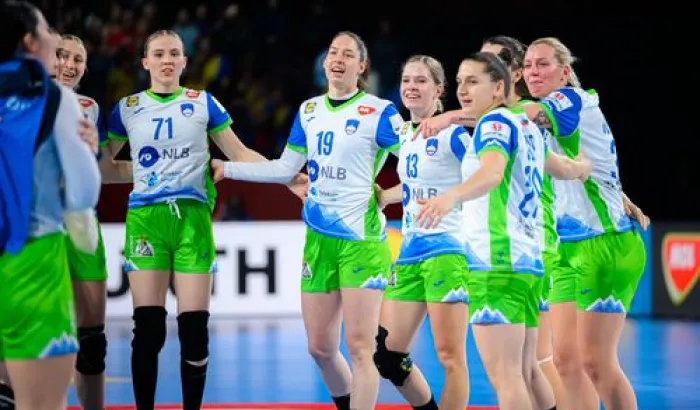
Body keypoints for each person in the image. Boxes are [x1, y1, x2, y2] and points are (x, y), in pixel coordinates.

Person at [211, 31, 403, 410]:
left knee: (361, 349)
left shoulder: (380, 112)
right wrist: (227, 168)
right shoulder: (309, 111)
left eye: (348, 55)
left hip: (361, 242)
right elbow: (285, 169)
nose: (338, 59)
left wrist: (389, 195)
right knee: (320, 348)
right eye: (333, 52)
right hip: (318, 241)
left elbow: (418, 163)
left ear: (362, 66)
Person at [414, 52, 590, 410]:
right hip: (529, 264)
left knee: (507, 377)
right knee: (527, 371)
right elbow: (562, 168)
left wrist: (450, 197)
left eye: (473, 81)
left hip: (495, 263)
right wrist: (584, 166)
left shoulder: (492, 124)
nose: (463, 90)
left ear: (498, 88)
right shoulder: (526, 126)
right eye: (459, 81)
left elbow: (492, 173)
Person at [521, 37, 647, 410]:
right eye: (527, 66)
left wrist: (454, 115)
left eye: (542, 64)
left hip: (605, 243)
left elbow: (527, 113)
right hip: (567, 248)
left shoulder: (570, 100)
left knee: (597, 362)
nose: (533, 72)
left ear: (565, 72)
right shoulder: (550, 117)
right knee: (565, 362)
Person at [0, 2, 102, 410]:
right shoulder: (53, 97)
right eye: (46, 31)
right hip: (31, 260)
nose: (54, 39)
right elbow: (82, 191)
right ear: (29, 41)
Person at [373, 55, 470, 410]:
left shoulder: (454, 134)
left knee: (450, 357)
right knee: (388, 355)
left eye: (421, 81)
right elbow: (417, 186)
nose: (411, 87)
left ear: (439, 89)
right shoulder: (405, 134)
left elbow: (488, 177)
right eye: (406, 80)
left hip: (446, 250)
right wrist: (386, 195)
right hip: (411, 252)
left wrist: (452, 200)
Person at [480, 35, 563, 410]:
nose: (483, 70)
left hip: (526, 243)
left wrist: (447, 116)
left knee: (530, 364)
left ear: (513, 74)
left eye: (492, 63)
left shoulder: (520, 114)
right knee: (529, 366)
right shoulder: (500, 117)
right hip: (522, 243)